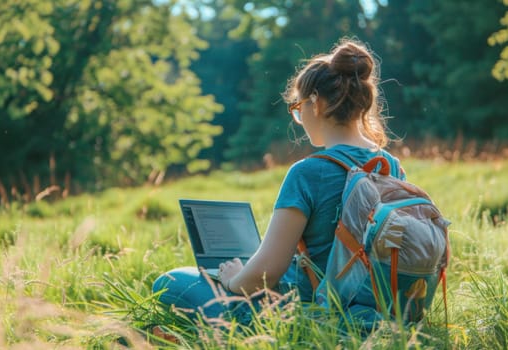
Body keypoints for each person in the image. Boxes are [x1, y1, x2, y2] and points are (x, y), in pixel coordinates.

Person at [152, 37, 402, 325]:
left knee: (169, 281)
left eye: (298, 108)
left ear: (316, 104)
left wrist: (234, 280)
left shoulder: (308, 172)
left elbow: (266, 274)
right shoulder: (390, 166)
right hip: (377, 308)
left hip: (309, 314)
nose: (299, 116)